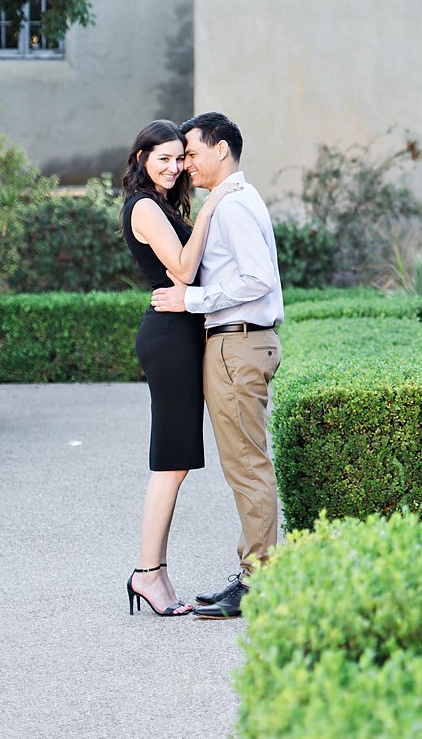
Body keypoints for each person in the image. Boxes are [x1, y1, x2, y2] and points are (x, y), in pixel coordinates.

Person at [150, 112, 283, 620]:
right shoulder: (229, 203)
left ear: (221, 149)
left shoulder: (231, 207)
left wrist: (193, 299)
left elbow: (257, 280)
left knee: (247, 467)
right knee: (245, 465)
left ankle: (260, 582)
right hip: (238, 345)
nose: (185, 163)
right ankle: (255, 572)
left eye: (191, 152)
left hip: (237, 345)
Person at [121, 119, 240, 617]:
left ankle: (155, 572)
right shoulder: (145, 206)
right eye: (163, 158)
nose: (174, 167)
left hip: (182, 334)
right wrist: (214, 204)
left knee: (178, 463)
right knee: (170, 463)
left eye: (179, 158)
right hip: (169, 338)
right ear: (142, 158)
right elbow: (184, 271)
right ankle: (147, 574)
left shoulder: (163, 204)